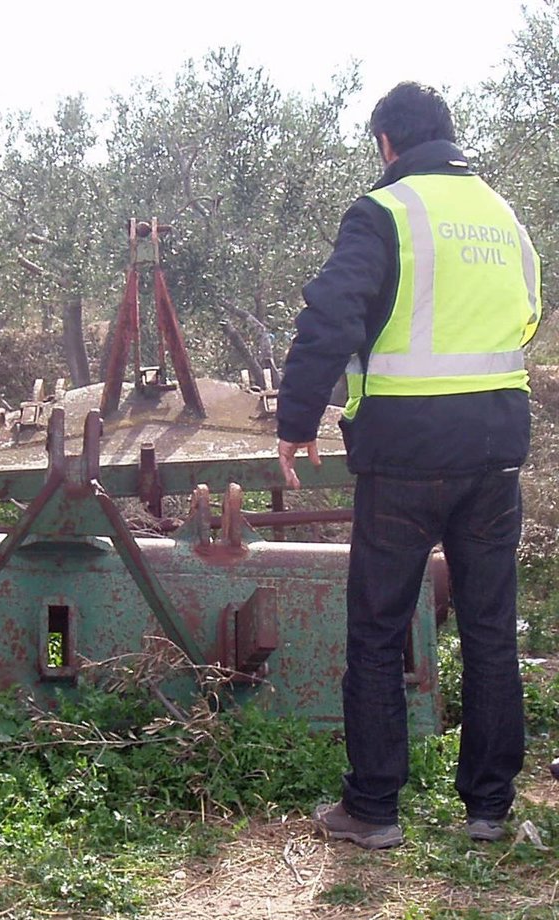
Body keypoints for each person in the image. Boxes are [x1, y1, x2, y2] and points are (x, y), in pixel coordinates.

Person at [276, 82, 541, 850]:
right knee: (490, 630)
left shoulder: (384, 212)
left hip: (403, 455)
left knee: (380, 627)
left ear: (387, 143)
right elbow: (527, 312)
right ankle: (489, 807)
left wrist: (296, 421)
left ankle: (373, 809)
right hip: (494, 450)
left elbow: (333, 316)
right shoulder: (503, 213)